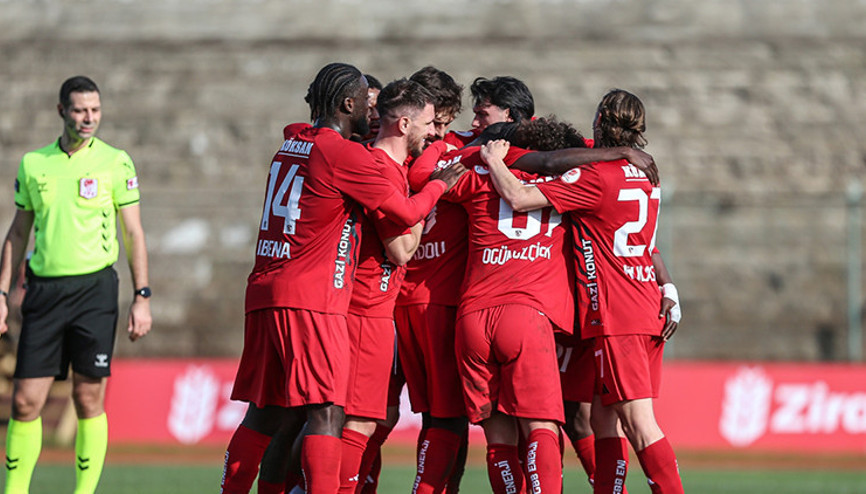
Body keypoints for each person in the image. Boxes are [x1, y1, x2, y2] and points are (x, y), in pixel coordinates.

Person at [220, 62, 464, 494]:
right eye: (365, 104)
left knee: (269, 412)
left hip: (264, 285)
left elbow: (297, 130)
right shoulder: (345, 155)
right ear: (347, 103)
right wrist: (439, 184)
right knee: (329, 413)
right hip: (311, 295)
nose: (371, 116)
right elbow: (405, 221)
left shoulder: (295, 142)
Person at [480, 89, 684, 494]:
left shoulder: (594, 177)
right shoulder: (645, 174)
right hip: (643, 301)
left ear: (600, 119)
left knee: (639, 424)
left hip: (617, 313)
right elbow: (647, 243)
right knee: (604, 421)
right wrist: (670, 287)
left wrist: (493, 160)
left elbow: (520, 197)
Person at [0, 75, 152, 494]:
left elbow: (134, 233)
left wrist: (142, 296)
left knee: (88, 398)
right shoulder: (35, 163)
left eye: (96, 110)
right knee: (26, 401)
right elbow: (17, 233)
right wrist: (0, 293)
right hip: (45, 292)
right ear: (61, 111)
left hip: (94, 292)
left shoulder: (116, 162)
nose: (89, 118)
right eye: (81, 110)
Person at [337, 78, 439, 493]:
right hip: (364, 309)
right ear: (402, 124)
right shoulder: (379, 168)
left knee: (371, 417)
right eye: (429, 124)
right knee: (358, 420)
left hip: (376, 309)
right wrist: (429, 194)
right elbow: (401, 248)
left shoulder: (391, 168)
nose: (433, 133)